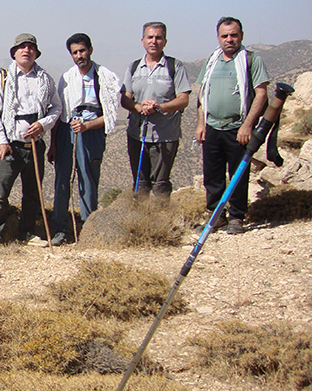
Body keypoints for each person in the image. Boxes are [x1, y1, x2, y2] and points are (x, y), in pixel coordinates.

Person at [0, 33, 61, 251]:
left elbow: (56, 108)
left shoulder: (45, 79)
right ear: (14, 52)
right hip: (10, 145)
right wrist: (1, 141)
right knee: (1, 194)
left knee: (33, 193)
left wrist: (43, 124)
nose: (26, 51)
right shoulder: (3, 78)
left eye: (31, 47)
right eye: (22, 47)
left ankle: (26, 233)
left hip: (35, 144)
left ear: (36, 52)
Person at [195, 17, 270, 235]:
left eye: (233, 35)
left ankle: (237, 216)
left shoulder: (251, 60)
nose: (229, 39)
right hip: (211, 126)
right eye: (225, 35)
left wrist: (247, 125)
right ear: (218, 38)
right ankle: (216, 215)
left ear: (241, 36)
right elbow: (202, 94)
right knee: (212, 174)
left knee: (237, 173)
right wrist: (201, 122)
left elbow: (261, 93)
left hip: (237, 126)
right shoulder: (212, 60)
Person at [49, 33, 121, 244]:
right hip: (66, 132)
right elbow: (59, 111)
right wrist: (53, 143)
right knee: (62, 180)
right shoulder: (67, 78)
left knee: (88, 180)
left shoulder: (105, 77)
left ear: (90, 49)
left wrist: (87, 125)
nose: (79, 55)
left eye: (82, 50)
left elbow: (109, 115)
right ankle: (60, 230)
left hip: (92, 133)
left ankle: (89, 229)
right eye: (75, 52)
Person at [120, 22, 191, 200]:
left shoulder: (175, 66)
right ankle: (140, 221)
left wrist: (158, 107)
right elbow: (125, 99)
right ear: (142, 40)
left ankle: (160, 221)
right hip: (138, 134)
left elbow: (183, 99)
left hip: (166, 135)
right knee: (140, 182)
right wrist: (139, 107)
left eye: (158, 37)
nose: (154, 41)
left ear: (165, 41)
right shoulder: (134, 67)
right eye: (150, 37)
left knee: (161, 184)